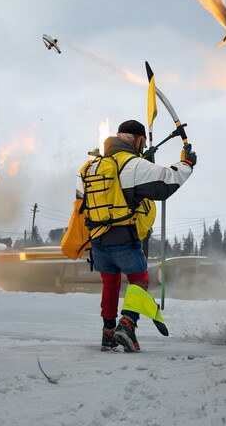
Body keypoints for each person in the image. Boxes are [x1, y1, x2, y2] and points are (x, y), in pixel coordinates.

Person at [77, 119, 197, 352]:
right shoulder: (132, 164)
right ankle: (128, 323)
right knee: (139, 279)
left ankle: (108, 333)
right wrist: (186, 163)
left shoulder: (92, 166)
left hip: (98, 239)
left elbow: (82, 199)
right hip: (124, 237)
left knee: (110, 283)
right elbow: (165, 181)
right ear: (139, 140)